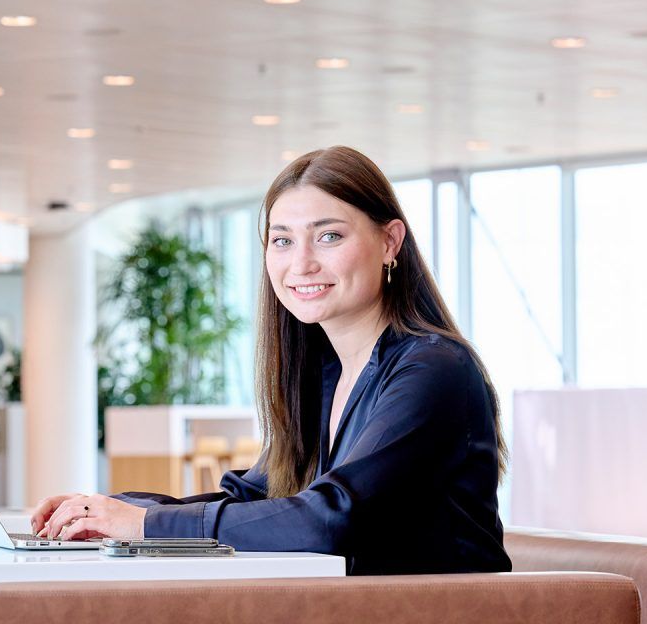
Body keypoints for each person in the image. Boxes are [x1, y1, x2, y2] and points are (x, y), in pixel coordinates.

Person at [29, 146, 511, 575]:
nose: (300, 264)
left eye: (329, 237)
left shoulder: (433, 368)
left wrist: (143, 523)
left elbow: (330, 519)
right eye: (282, 240)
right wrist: (107, 508)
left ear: (390, 242)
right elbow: (255, 500)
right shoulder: (324, 373)